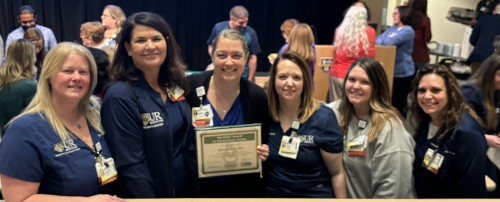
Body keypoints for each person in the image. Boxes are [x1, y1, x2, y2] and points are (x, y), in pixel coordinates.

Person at [0, 42, 125, 201]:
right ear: (48, 76)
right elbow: (18, 199)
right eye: (67, 71)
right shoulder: (24, 130)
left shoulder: (98, 114)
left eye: (83, 72)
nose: (76, 77)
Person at [101, 12, 196, 198]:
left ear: (167, 43)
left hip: (185, 193)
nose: (150, 46)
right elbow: (131, 166)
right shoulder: (120, 96)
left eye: (156, 38)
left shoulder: (173, 85)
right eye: (141, 40)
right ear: (128, 48)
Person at [186, 29, 269, 197]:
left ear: (246, 58)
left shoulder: (256, 96)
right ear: (212, 54)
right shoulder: (191, 88)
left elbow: (264, 141)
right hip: (196, 191)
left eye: (236, 56)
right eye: (222, 55)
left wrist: (264, 151)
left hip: (241, 192)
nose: (229, 63)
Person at [328, 57, 416, 198]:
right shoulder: (336, 112)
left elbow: (393, 189)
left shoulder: (390, 129)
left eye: (365, 82)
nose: (356, 86)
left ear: (377, 88)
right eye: (352, 80)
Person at [264, 51, 346, 198]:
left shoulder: (323, 117)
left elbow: (337, 173)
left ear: (305, 82)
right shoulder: (265, 114)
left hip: (313, 194)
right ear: (274, 80)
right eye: (283, 77)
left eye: (296, 77)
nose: (289, 83)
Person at [409, 64, 487, 198]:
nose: (427, 96)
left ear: (450, 93)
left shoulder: (467, 134)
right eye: (422, 90)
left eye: (435, 90)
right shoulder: (427, 120)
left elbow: (469, 192)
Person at [461, 52, 500, 197]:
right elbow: (463, 130)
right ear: (489, 74)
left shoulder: (495, 91)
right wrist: (485, 138)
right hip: (471, 147)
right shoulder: (470, 93)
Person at [329, 6, 375, 102]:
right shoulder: (370, 32)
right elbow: (371, 57)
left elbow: (336, 55)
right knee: (356, 107)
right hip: (360, 77)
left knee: (336, 107)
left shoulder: (339, 31)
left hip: (338, 74)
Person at [376, 6, 415, 117]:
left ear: (404, 15)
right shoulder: (392, 28)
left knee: (398, 104)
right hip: (391, 71)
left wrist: (384, 40)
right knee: (389, 102)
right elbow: (377, 40)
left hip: (403, 73)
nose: (393, 15)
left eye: (396, 13)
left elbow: (388, 42)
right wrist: (384, 40)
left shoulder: (408, 30)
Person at [206, 5, 261, 82]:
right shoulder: (218, 28)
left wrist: (250, 78)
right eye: (241, 22)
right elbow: (211, 46)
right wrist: (216, 59)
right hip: (219, 70)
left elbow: (253, 58)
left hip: (241, 74)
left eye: (246, 22)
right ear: (232, 18)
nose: (244, 25)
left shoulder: (251, 33)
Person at [0, 39, 37, 136]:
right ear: (29, 58)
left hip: (6, 140)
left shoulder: (2, 82)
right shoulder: (30, 86)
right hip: (26, 140)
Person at [80, 21, 111, 98]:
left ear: (89, 39)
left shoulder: (92, 56)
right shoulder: (111, 50)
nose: (81, 37)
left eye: (82, 36)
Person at [468, 3, 500, 74]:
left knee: (475, 82)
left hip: (478, 57)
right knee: (491, 84)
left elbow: (472, 40)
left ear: (493, 11)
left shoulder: (483, 19)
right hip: (496, 60)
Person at [410, 0, 432, 71]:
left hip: (408, 55)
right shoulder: (425, 19)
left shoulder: (406, 18)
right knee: (421, 79)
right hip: (421, 55)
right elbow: (427, 38)